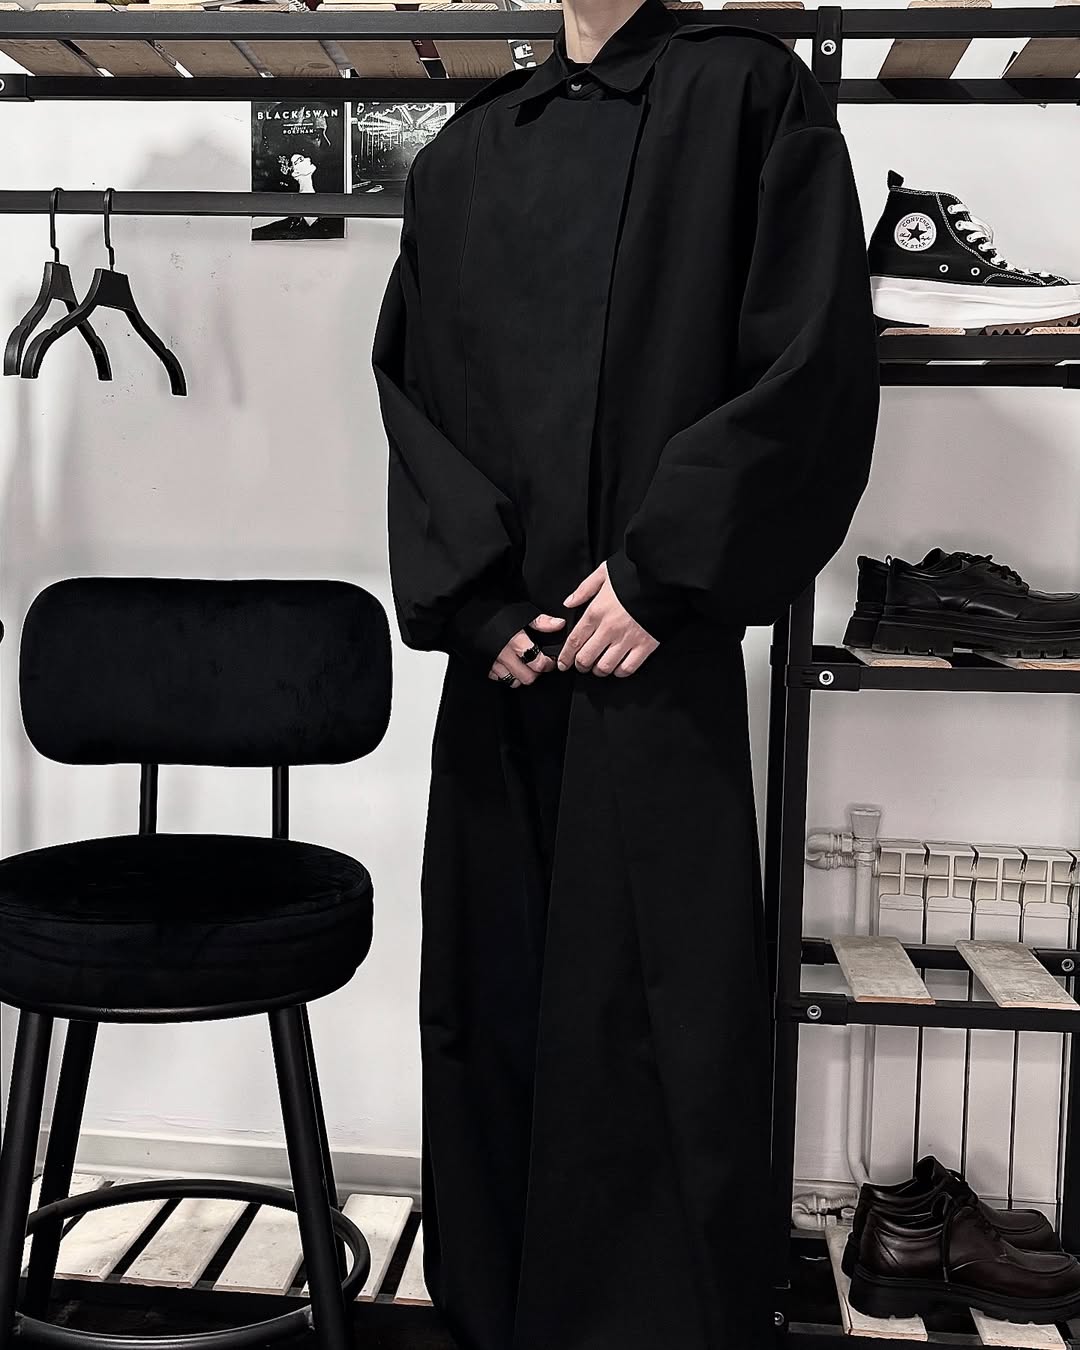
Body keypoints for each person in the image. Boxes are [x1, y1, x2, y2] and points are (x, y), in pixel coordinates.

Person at [371, 0, 880, 1346]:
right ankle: (496, 1314)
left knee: (662, 1019)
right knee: (495, 1002)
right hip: (506, 676)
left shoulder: (750, 100)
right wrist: (480, 606)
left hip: (659, 667)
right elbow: (411, 389)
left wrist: (663, 576)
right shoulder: (464, 153)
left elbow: (811, 360)